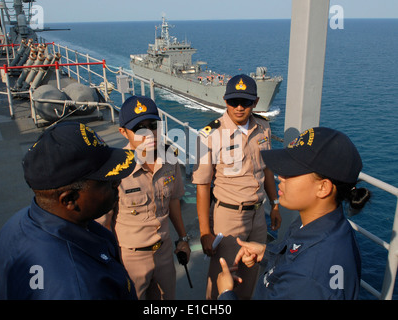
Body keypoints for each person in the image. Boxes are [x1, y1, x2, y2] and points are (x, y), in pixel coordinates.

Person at [217, 127, 371, 300]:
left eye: (292, 170)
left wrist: (225, 293)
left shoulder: (309, 278)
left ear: (323, 187)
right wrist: (267, 253)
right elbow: (297, 257)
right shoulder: (318, 225)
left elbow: (304, 275)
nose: (280, 176)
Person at [0, 121, 138, 300]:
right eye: (109, 181)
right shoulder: (80, 288)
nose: (118, 183)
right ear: (69, 199)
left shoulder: (16, 224)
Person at [192, 74, 282, 300]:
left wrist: (275, 204)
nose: (239, 107)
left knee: (251, 276)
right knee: (223, 276)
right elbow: (202, 185)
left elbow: (267, 170)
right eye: (234, 102)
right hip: (228, 217)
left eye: (246, 102)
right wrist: (205, 232)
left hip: (258, 214)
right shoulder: (210, 135)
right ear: (225, 101)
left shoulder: (263, 128)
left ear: (256, 101)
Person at [97, 95, 190, 300]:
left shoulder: (169, 158)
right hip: (130, 258)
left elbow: (173, 200)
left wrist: (183, 239)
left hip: (164, 252)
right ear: (123, 132)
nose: (149, 133)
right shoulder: (114, 170)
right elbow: (103, 224)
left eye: (152, 125)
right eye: (139, 127)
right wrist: (109, 261)